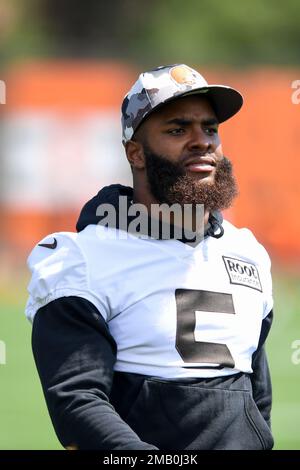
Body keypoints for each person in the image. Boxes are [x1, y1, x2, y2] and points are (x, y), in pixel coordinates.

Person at [25, 64, 274, 450]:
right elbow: (77, 402)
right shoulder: (82, 259)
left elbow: (256, 400)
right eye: (177, 130)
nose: (202, 142)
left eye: (210, 128)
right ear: (135, 153)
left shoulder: (248, 252)